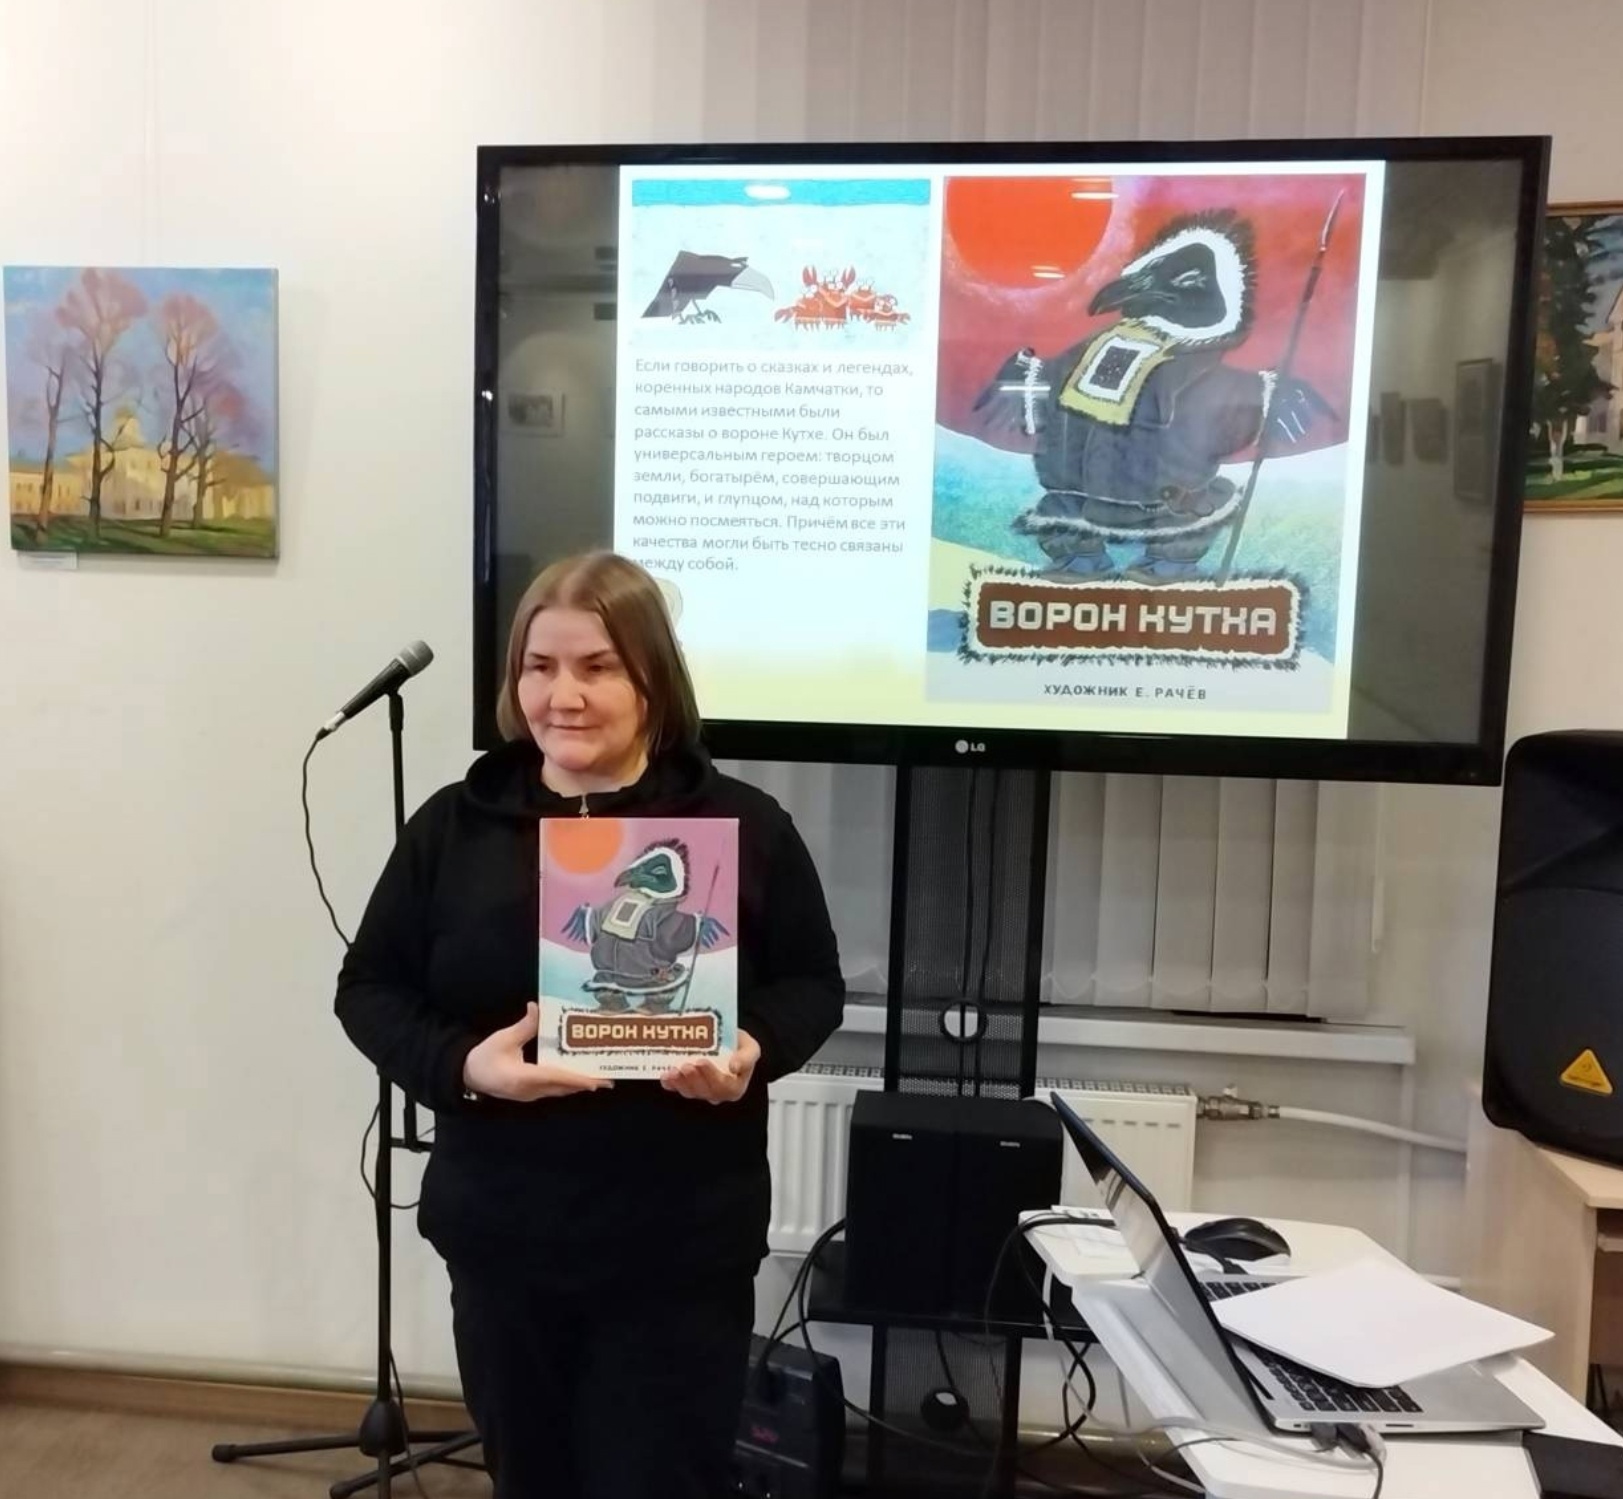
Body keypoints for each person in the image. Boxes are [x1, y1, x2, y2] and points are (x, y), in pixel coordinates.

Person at [335, 551, 845, 1499]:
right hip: (505, 1237)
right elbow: (368, 989)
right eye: (539, 666)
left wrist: (751, 1047)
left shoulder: (742, 825)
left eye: (597, 666)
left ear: (653, 678)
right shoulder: (453, 827)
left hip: (678, 1245)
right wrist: (465, 1065)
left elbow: (813, 984)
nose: (561, 695)